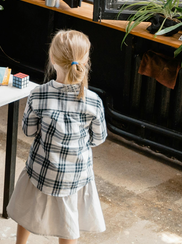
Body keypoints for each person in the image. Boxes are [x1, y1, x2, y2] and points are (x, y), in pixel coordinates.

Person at [6, 30, 107, 244]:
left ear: (52, 59)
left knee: (28, 208)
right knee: (68, 220)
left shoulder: (38, 94)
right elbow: (98, 138)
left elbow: (29, 131)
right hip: (75, 176)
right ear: (85, 61)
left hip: (41, 171)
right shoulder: (94, 101)